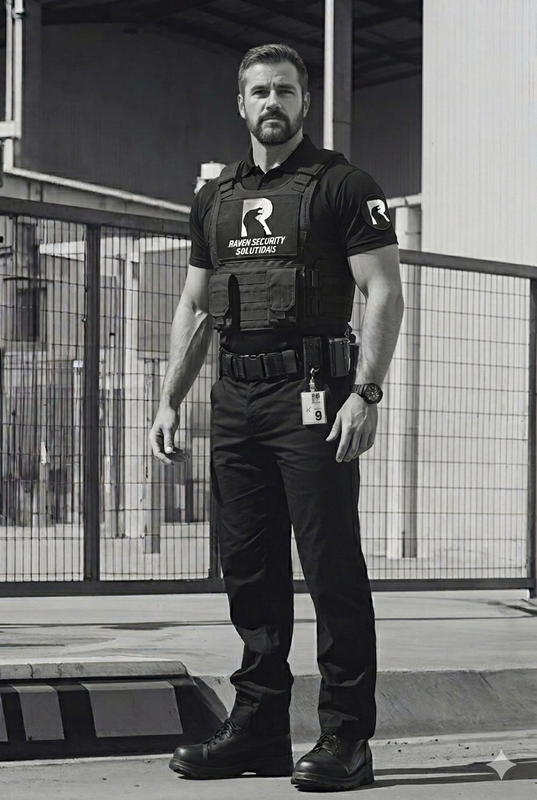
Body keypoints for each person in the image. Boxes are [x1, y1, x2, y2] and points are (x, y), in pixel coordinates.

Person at [150, 43, 404, 792]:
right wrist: (170, 398)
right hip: (235, 402)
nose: (271, 102)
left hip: (315, 400)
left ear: (302, 103)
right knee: (250, 572)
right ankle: (257, 730)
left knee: (331, 571)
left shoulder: (343, 185)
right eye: (258, 91)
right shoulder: (214, 198)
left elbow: (383, 292)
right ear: (240, 103)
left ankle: (344, 740)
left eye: (284, 91)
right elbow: (195, 307)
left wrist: (366, 393)